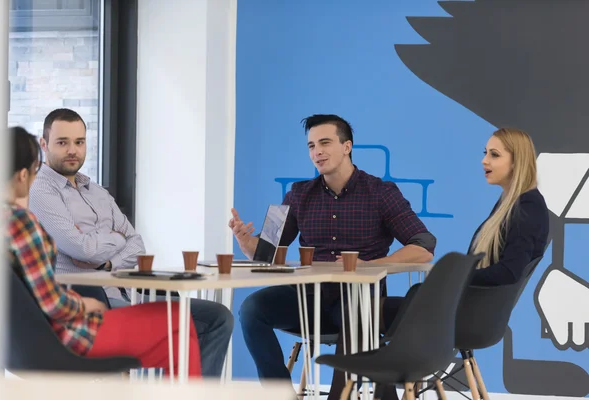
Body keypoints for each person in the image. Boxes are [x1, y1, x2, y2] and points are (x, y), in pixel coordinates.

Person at [231, 114, 437, 388]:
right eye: (311, 146)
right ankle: (278, 394)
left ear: (347, 146)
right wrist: (246, 243)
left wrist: (372, 264)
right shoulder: (297, 193)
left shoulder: (382, 192)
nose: (317, 151)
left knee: (355, 317)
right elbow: (267, 251)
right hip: (307, 299)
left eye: (325, 143)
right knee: (251, 309)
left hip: (357, 300)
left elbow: (424, 245)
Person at [28, 108, 233, 378]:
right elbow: (83, 249)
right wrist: (116, 238)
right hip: (86, 305)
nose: (72, 150)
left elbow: (137, 246)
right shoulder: (40, 189)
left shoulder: (96, 191)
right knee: (179, 326)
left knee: (219, 317)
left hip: (126, 295)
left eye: (79, 142)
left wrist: (107, 260)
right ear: (44, 145)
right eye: (62, 142)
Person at [375, 128, 550, 400]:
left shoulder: (526, 207)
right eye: (485, 153)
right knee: (381, 308)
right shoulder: (513, 202)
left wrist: (452, 277)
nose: (484, 161)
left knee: (365, 315)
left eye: (494, 155)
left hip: (469, 319)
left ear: (517, 161)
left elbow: (509, 272)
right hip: (470, 314)